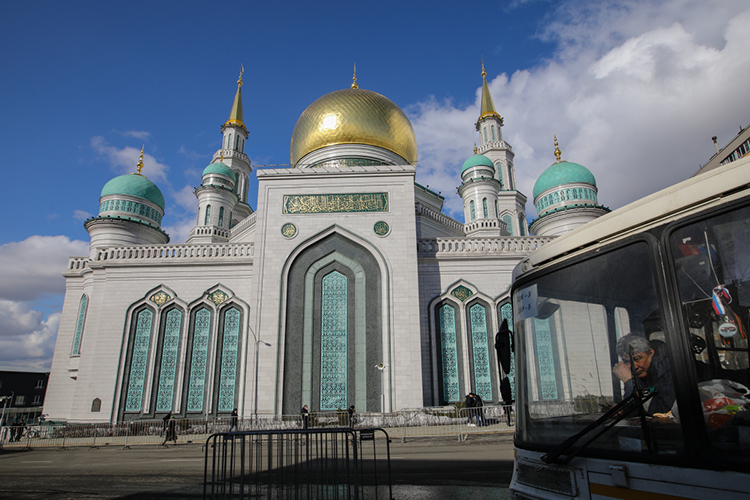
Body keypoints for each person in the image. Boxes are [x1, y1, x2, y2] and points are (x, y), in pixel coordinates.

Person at [612, 334, 676, 416]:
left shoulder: (668, 368)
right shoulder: (645, 373)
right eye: (627, 361)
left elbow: (661, 410)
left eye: (637, 359)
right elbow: (641, 406)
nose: (634, 366)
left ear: (651, 353)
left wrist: (630, 382)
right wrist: (623, 410)